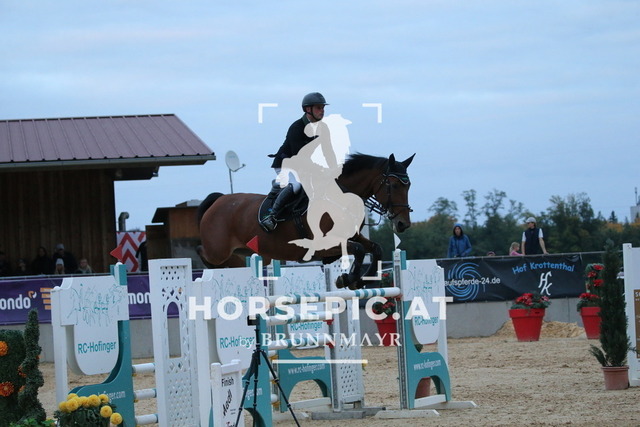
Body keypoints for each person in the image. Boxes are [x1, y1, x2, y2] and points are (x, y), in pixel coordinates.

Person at [260, 92, 329, 231]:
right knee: (297, 184)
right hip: (285, 164)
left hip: (302, 164)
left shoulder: (322, 128)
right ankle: (271, 216)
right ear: (308, 109)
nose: (322, 111)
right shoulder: (297, 127)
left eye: (323, 108)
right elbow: (299, 157)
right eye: (318, 108)